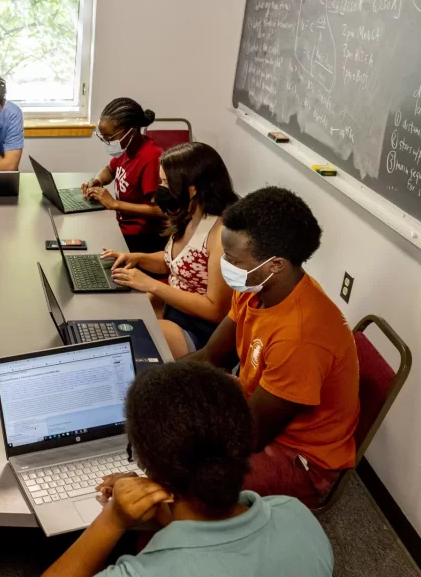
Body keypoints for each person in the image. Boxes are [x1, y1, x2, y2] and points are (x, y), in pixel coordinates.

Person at [43, 361, 334, 577]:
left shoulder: (143, 573)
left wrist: (113, 519)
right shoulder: (298, 517)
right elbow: (217, 545)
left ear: (149, 465)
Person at [186, 186, 359, 503]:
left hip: (300, 459)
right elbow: (211, 357)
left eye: (233, 259)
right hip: (256, 408)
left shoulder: (302, 336)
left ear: (275, 264)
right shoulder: (255, 284)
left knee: (185, 484)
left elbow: (251, 437)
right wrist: (155, 387)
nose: (225, 264)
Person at [101, 143, 239, 358]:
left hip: (199, 330)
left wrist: (152, 285)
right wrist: (137, 258)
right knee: (113, 315)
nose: (161, 188)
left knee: (118, 343)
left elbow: (214, 310)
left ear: (192, 188)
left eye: (166, 182)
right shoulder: (190, 215)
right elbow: (173, 262)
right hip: (172, 310)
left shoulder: (220, 235)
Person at [81, 98, 165, 253]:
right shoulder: (127, 148)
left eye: (110, 137)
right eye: (103, 137)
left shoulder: (152, 158)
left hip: (142, 238)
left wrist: (115, 204)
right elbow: (110, 169)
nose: (107, 142)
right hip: (121, 225)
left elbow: (160, 210)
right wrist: (97, 181)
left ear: (131, 131)